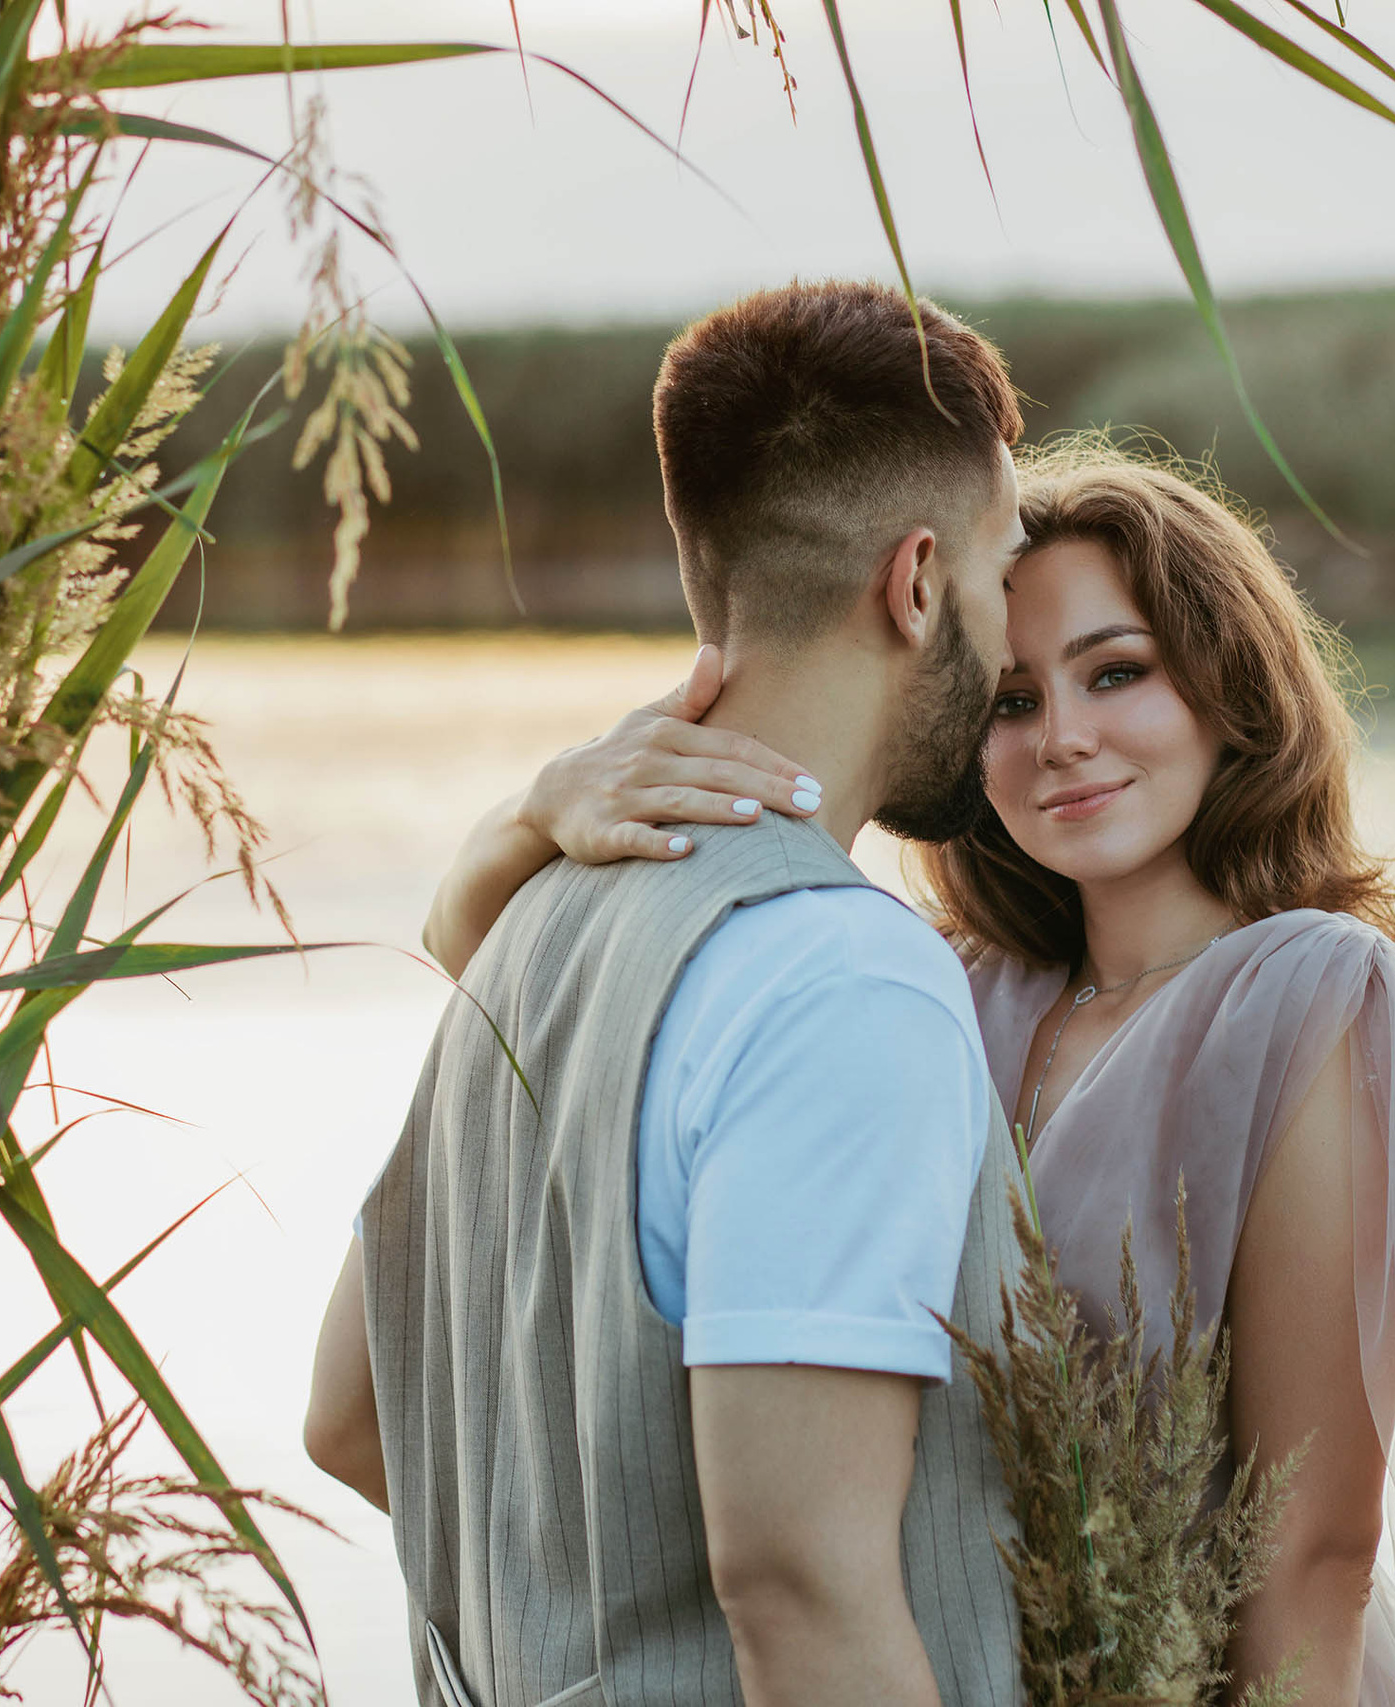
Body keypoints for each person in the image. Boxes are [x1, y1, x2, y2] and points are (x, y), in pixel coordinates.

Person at [425, 436, 1395, 1707]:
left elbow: (1312, 1547)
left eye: (1116, 674)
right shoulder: (944, 988)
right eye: (1012, 700)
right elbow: (545, 1029)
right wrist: (531, 819)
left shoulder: (1308, 1001)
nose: (1062, 740)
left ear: (1225, 686)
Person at [303, 280, 1035, 1707]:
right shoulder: (847, 980)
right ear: (922, 582)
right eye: (1006, 576)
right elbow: (804, 1584)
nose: (1009, 652)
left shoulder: (527, 927)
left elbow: (353, 1418)